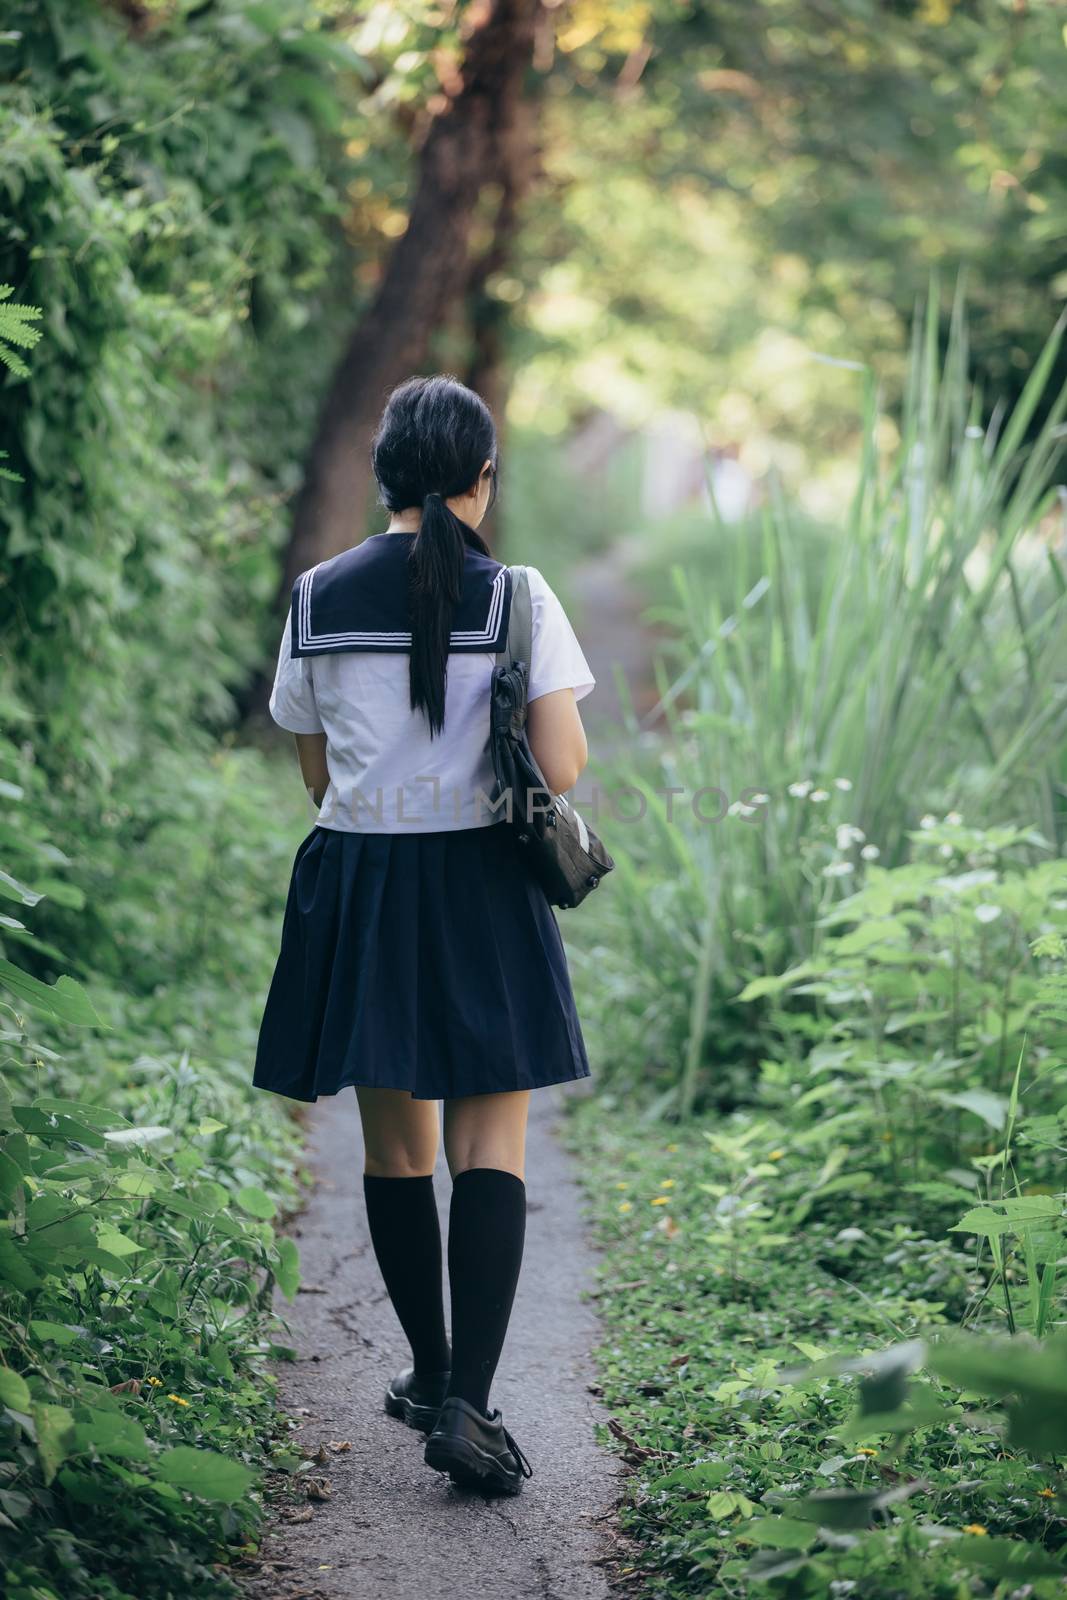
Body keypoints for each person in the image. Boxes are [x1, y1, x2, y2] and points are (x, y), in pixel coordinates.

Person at [253, 374, 596, 1495]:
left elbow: (316, 770)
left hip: (362, 887)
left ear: (386, 477)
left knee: (393, 1153)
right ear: (479, 481)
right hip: (483, 888)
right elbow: (559, 769)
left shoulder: (316, 594)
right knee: (489, 1148)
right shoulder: (521, 599)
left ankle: (428, 1368)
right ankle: (469, 1406)